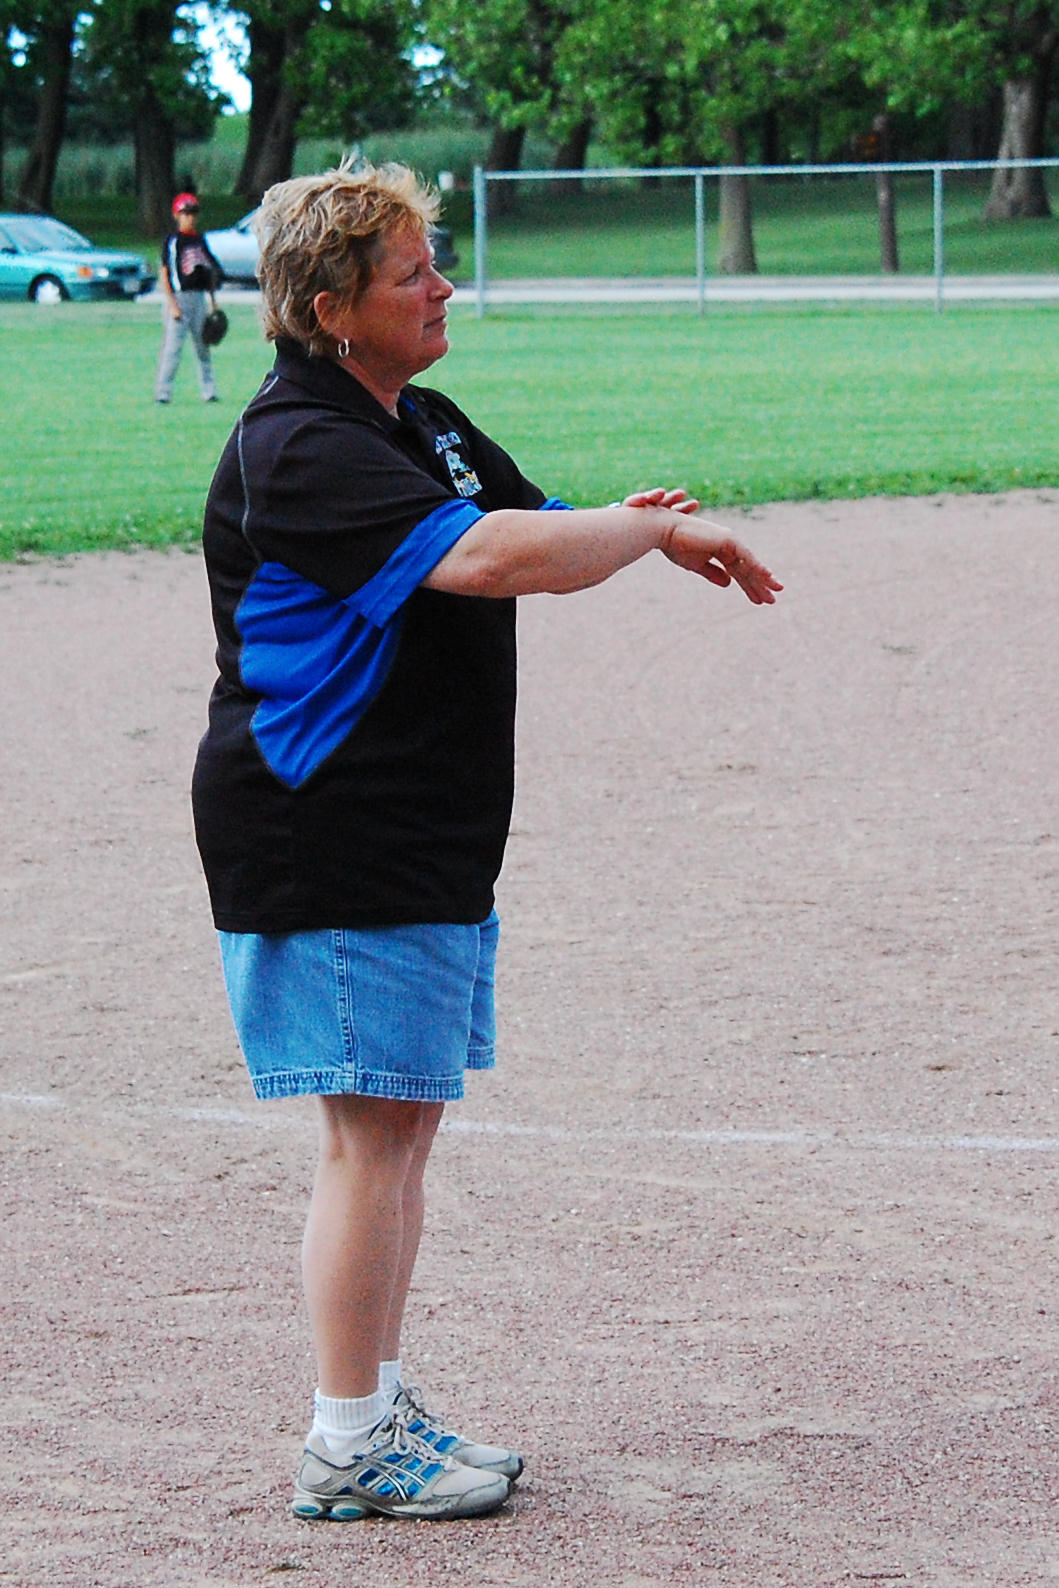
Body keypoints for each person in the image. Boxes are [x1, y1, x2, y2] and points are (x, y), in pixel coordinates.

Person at [190, 160, 782, 1525]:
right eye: (412, 275)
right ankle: (347, 1437)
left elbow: (531, 522)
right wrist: (641, 536)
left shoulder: (423, 424)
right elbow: (488, 561)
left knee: (401, 1128)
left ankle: (374, 1406)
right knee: (370, 1136)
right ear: (332, 309)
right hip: (329, 834)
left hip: (420, 835)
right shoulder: (300, 444)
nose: (443, 288)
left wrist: (654, 529)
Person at [154, 192, 223, 405]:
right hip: (179, 299)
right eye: (185, 213)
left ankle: (209, 391)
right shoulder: (172, 241)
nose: (190, 218)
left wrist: (213, 302)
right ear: (176, 215)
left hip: (199, 298)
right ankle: (163, 392)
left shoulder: (199, 240)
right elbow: (164, 274)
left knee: (203, 346)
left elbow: (208, 272)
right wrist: (173, 305)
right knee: (173, 349)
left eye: (193, 213)